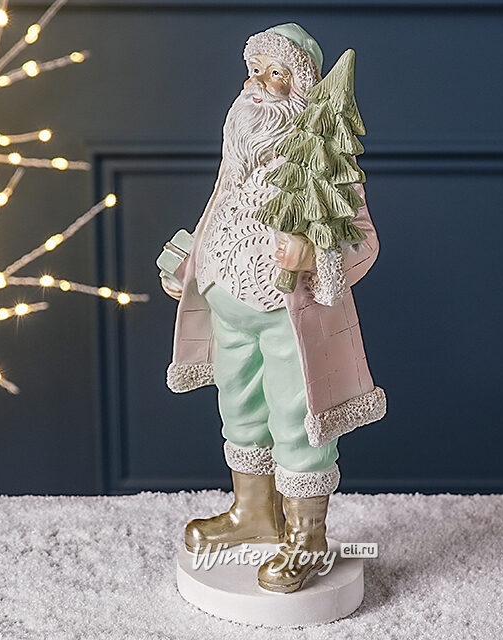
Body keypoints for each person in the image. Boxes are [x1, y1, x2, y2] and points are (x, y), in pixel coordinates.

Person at [160, 23, 386, 593]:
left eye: (275, 73)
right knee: (239, 407)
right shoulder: (240, 154)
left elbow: (363, 241)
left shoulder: (324, 167)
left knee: (298, 417)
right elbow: (219, 218)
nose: (258, 84)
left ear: (302, 84)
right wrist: (191, 265)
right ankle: (253, 511)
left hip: (288, 319)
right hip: (228, 309)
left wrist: (314, 252)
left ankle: (307, 535)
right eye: (254, 71)